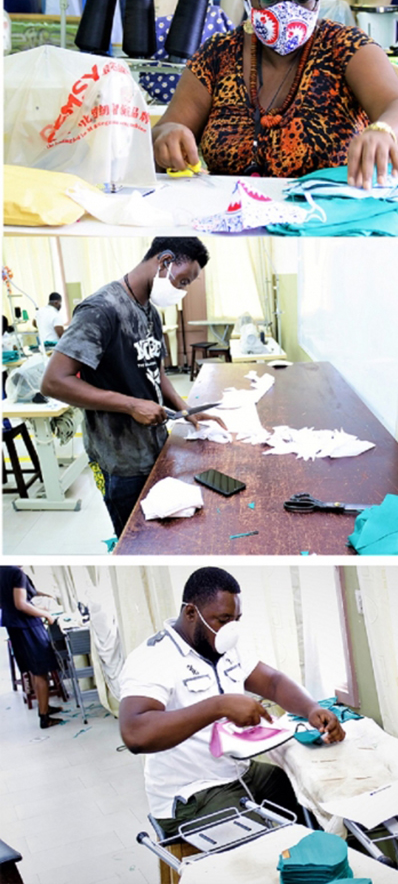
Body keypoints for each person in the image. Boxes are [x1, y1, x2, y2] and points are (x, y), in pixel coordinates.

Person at [152, 0, 398, 187]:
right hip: (232, 216)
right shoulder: (218, 55)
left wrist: (385, 130)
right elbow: (165, 130)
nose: (287, 11)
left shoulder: (345, 48)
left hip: (324, 220)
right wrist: (167, 137)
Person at [119, 567, 346, 836]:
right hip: (191, 794)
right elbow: (135, 734)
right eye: (223, 619)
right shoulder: (153, 658)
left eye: (236, 619)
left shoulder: (225, 645)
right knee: (266, 848)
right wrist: (219, 706)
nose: (230, 629)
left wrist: (312, 708)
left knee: (310, 798)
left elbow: (272, 681)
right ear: (191, 613)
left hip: (239, 773)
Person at [40, 238, 226, 537]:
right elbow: (53, 382)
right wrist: (131, 404)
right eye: (182, 281)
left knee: (163, 534)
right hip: (120, 459)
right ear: (164, 261)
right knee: (134, 537)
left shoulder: (149, 312)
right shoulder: (100, 310)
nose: (182, 290)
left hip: (153, 447)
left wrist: (186, 409)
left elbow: (156, 373)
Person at [0, 566, 65, 729]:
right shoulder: (17, 573)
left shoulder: (4, 571)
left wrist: (43, 595)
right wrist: (46, 614)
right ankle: (44, 718)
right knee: (41, 671)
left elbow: (19, 593)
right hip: (27, 626)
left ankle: (45, 707)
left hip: (13, 626)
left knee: (34, 670)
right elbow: (21, 604)